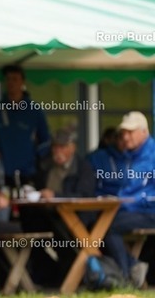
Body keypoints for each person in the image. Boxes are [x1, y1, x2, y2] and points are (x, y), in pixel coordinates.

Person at [19, 128, 97, 286]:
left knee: (65, 240)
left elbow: (84, 196)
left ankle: (74, 277)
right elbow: (37, 186)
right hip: (47, 216)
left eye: (62, 147)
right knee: (28, 227)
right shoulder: (45, 166)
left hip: (75, 218)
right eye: (55, 147)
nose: (58, 151)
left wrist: (55, 196)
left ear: (72, 148)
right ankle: (43, 276)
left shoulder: (83, 168)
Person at [104, 112, 155, 287]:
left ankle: (126, 277)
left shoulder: (151, 155)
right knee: (98, 222)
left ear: (144, 132)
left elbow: (146, 195)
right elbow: (128, 188)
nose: (125, 137)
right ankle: (133, 267)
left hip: (149, 212)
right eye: (123, 133)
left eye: (130, 132)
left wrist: (126, 202)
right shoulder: (130, 156)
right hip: (134, 210)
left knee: (107, 226)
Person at [0, 64, 51, 187]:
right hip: (2, 173)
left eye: (15, 79)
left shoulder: (34, 110)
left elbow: (46, 140)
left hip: (29, 173)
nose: (11, 83)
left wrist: (34, 157)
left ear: (23, 82)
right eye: (8, 79)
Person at [87, 127, 127, 196]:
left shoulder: (132, 157)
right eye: (121, 138)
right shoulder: (97, 157)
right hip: (103, 199)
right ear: (115, 139)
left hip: (129, 198)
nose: (125, 142)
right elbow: (89, 185)